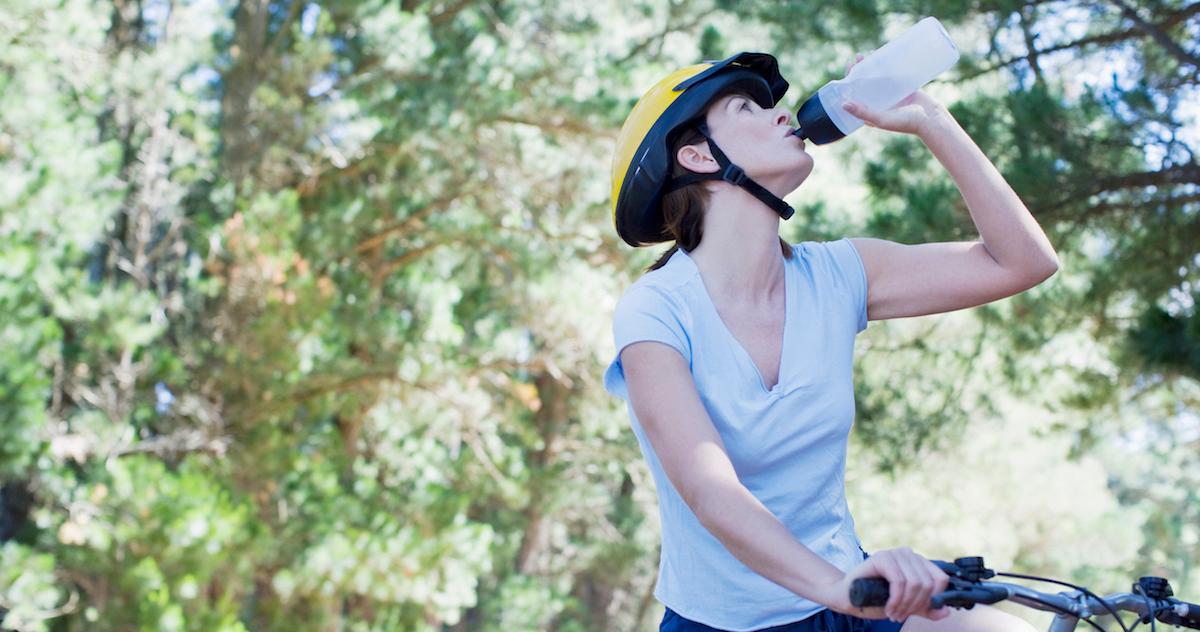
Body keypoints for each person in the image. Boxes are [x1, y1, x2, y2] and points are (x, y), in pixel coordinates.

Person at [603, 52, 1056, 632]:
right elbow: (710, 490)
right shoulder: (657, 310)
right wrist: (835, 586)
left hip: (851, 596)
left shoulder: (839, 274)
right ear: (696, 156)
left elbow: (1024, 262)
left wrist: (930, 120)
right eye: (748, 107)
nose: (783, 115)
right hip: (733, 619)